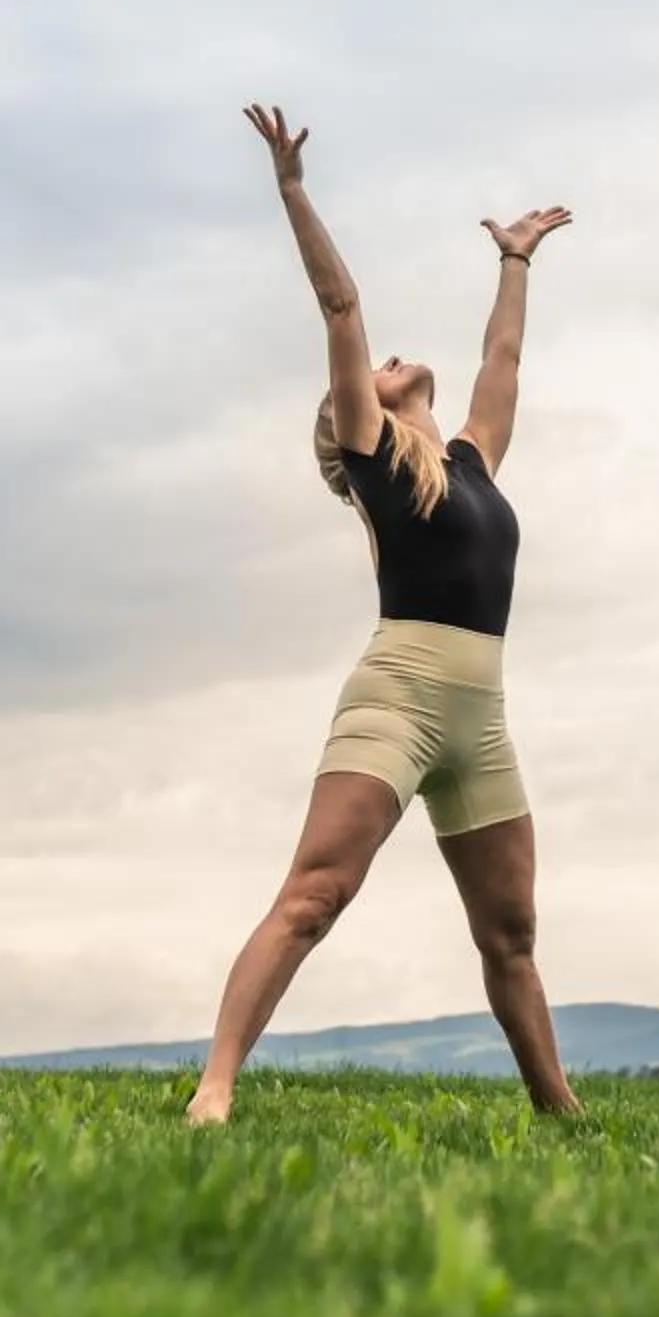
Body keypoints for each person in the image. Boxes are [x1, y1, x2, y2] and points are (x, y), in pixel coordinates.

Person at [184, 104, 581, 1126]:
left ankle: (561, 1113)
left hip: (479, 715)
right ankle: (215, 1086)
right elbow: (341, 304)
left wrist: (516, 261)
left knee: (512, 931)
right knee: (316, 892)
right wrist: (291, 189)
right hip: (398, 695)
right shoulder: (371, 452)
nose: (395, 356)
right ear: (354, 407)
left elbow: (503, 364)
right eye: (380, 369)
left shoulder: (471, 462)